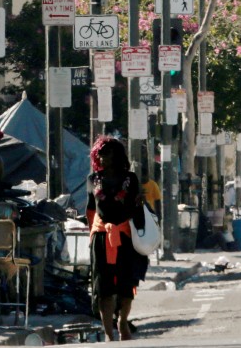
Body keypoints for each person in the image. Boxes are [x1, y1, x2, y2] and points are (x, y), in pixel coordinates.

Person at [86, 135, 147, 341]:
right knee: (102, 285)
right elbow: (90, 210)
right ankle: (108, 333)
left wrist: (139, 201)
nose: (103, 158)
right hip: (101, 238)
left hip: (124, 236)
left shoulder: (130, 179)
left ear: (117, 155)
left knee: (126, 282)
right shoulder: (93, 179)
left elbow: (135, 206)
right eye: (100, 154)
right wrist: (91, 233)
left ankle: (122, 321)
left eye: (107, 153)